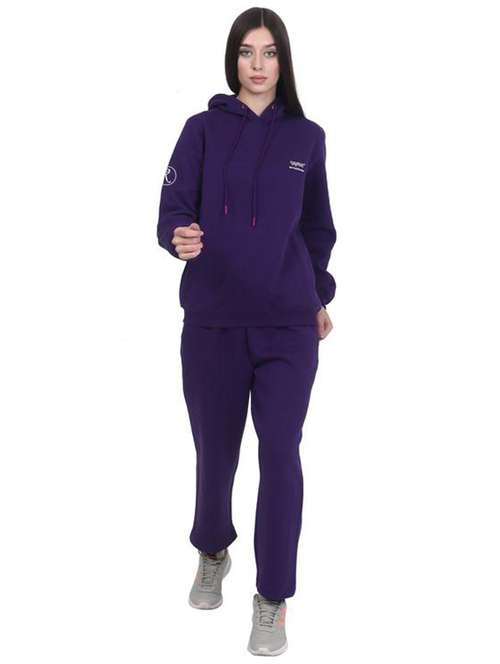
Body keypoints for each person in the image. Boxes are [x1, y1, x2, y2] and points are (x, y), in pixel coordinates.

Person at [157, 7, 336, 657]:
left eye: (269, 53)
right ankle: (213, 549)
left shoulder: (306, 139)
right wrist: (177, 235)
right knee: (216, 452)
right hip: (213, 321)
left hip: (288, 325)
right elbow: (173, 208)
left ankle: (273, 599)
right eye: (246, 52)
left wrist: (319, 296)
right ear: (232, 58)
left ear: (283, 62)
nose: (257, 65)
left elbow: (316, 230)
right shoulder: (201, 130)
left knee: (280, 454)